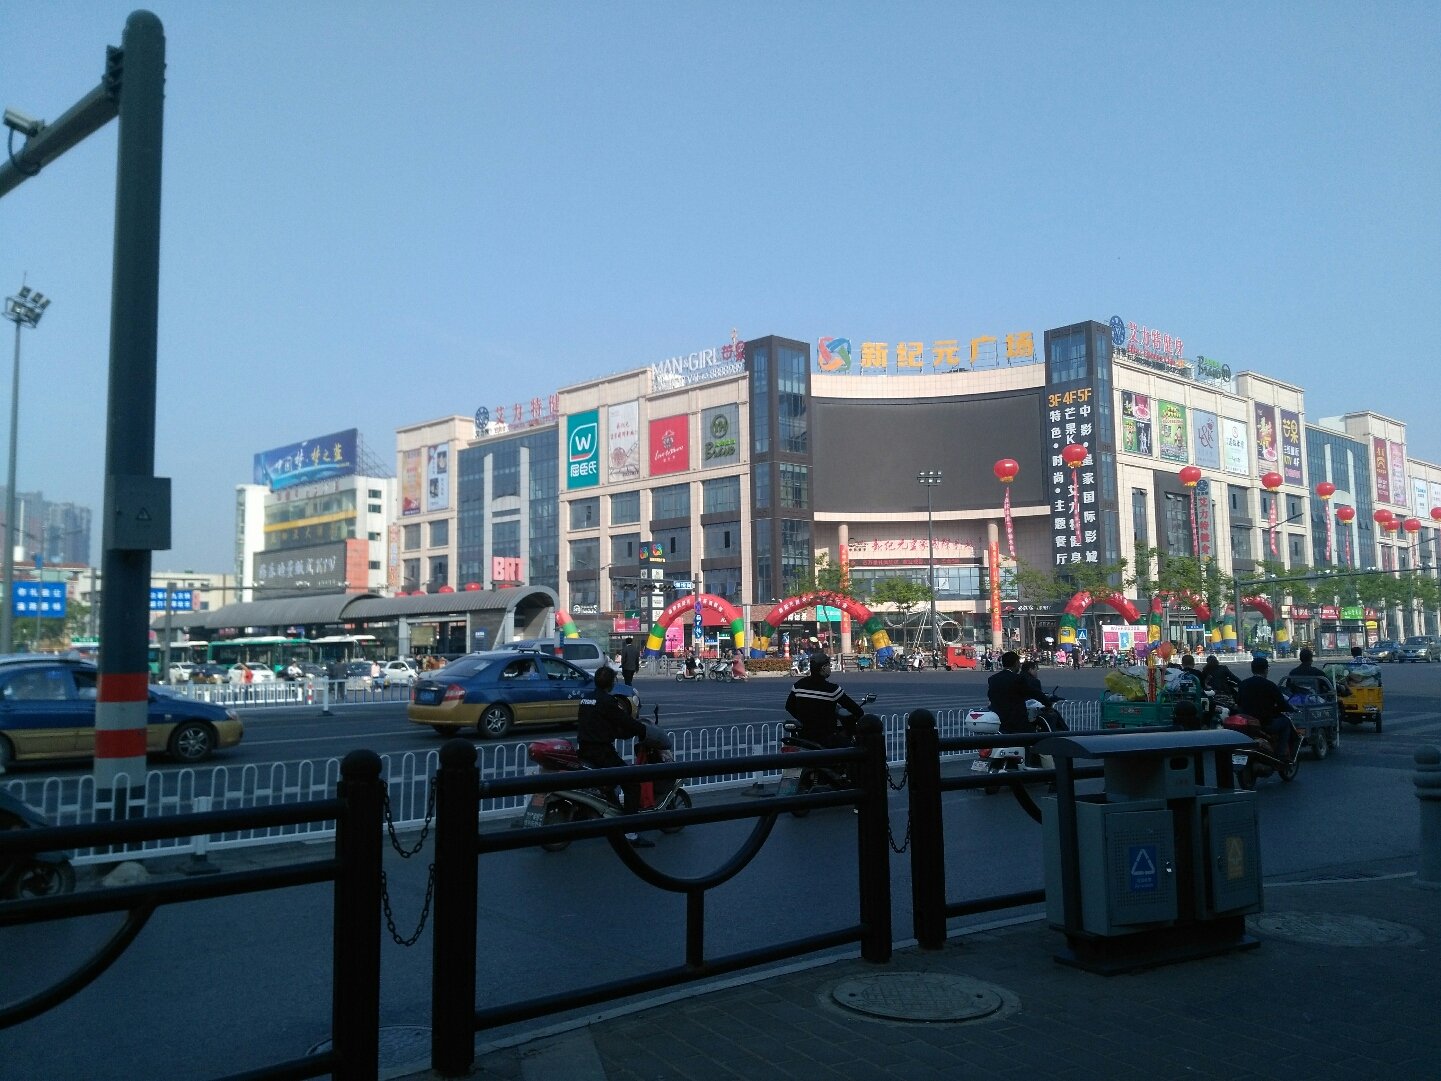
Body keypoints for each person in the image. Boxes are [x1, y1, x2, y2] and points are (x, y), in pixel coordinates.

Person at [576, 666, 653, 847]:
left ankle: (611, 817)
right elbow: (624, 721)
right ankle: (631, 833)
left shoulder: (585, 699)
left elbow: (599, 724)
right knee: (632, 783)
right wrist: (643, 730)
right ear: (611, 683)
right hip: (601, 753)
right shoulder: (607, 701)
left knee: (610, 783)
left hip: (584, 750)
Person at [785, 652, 865, 748]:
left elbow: (789, 706)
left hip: (804, 735)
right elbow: (856, 710)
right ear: (823, 668)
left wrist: (804, 719)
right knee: (850, 749)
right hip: (827, 738)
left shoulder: (798, 685)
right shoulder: (832, 690)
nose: (829, 668)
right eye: (828, 666)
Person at [1234, 656, 1296, 762]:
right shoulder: (1270, 685)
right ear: (1266, 670)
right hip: (1265, 723)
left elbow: (1238, 702)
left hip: (1248, 723)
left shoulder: (1243, 684)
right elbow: (1282, 704)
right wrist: (1292, 709)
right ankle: (1281, 754)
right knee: (1286, 723)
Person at [986, 650, 1031, 735]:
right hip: (1017, 722)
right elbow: (1030, 693)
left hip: (999, 721)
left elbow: (990, 696)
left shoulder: (993, 679)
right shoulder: (1018, 678)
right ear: (1016, 663)